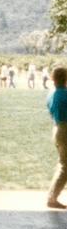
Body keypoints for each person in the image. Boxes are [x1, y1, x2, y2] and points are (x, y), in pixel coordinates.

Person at [45, 66, 67, 209]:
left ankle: (52, 196)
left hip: (57, 128)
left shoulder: (51, 94)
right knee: (65, 166)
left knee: (63, 163)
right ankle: (52, 198)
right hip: (65, 130)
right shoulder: (65, 94)